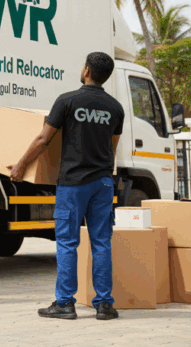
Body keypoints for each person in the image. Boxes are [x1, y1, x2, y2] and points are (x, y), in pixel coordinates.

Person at [10, 52, 124, 321]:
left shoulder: (67, 100)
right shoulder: (116, 108)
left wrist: (20, 165)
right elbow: (112, 148)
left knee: (67, 243)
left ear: (86, 70)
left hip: (73, 183)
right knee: (101, 243)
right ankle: (104, 305)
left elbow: (42, 140)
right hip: (102, 183)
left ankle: (64, 303)